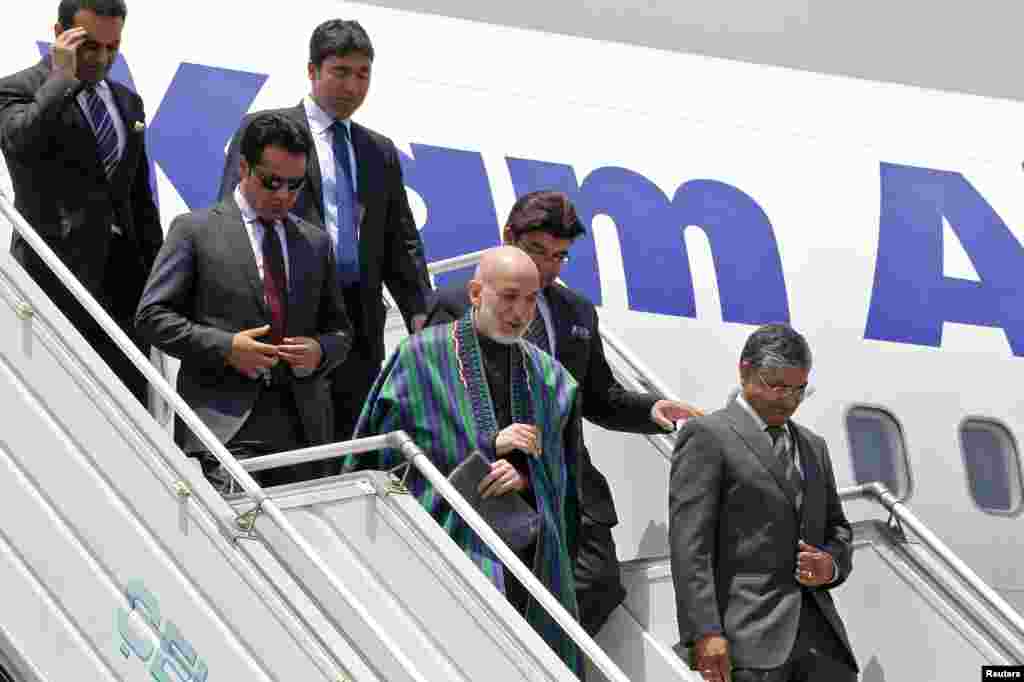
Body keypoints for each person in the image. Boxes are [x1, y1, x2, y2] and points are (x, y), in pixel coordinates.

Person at [426, 190, 703, 634]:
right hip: (493, 474)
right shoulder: (458, 304)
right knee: (504, 592)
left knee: (597, 585)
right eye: (536, 250)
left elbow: (597, 397)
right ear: (506, 238)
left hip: (565, 480)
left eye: (560, 256)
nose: (547, 267)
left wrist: (651, 409)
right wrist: (486, 444)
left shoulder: (575, 311)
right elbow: (433, 395)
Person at [349, 246, 583, 676]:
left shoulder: (552, 378)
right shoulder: (420, 357)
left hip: (522, 562)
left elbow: (564, 480)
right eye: (509, 297)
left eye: (531, 300)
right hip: (439, 552)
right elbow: (376, 455)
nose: (520, 312)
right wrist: (485, 445)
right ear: (476, 291)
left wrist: (526, 476)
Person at [218, 18, 431, 448]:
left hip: (361, 323)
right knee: (297, 449)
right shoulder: (266, 130)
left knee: (353, 448)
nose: (352, 86)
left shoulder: (379, 150)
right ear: (312, 70)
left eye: (363, 74)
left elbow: (400, 241)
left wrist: (419, 313)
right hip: (293, 317)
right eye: (340, 72)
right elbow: (232, 216)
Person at [136, 112, 352, 492]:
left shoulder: (315, 243)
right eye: (272, 182)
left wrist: (320, 350)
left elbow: (341, 330)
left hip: (304, 431)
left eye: (295, 185)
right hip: (225, 428)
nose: (283, 195)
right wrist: (226, 347)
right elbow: (152, 316)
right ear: (243, 168)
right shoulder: (195, 230)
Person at [669, 324, 858, 682]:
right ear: (745, 370)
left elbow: (838, 528)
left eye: (799, 390)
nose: (788, 400)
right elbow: (690, 546)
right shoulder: (708, 436)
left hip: (822, 645)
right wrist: (705, 632)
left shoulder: (813, 446)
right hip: (747, 642)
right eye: (777, 386)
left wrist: (830, 565)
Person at [0, 0, 163, 405]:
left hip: (123, 281)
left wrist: (159, 277)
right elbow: (19, 141)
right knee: (55, 400)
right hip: (53, 276)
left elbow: (140, 200)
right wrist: (60, 78)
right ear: (60, 35)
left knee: (129, 403)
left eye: (113, 47)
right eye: (90, 46)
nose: (103, 58)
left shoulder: (127, 102)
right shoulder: (17, 89)